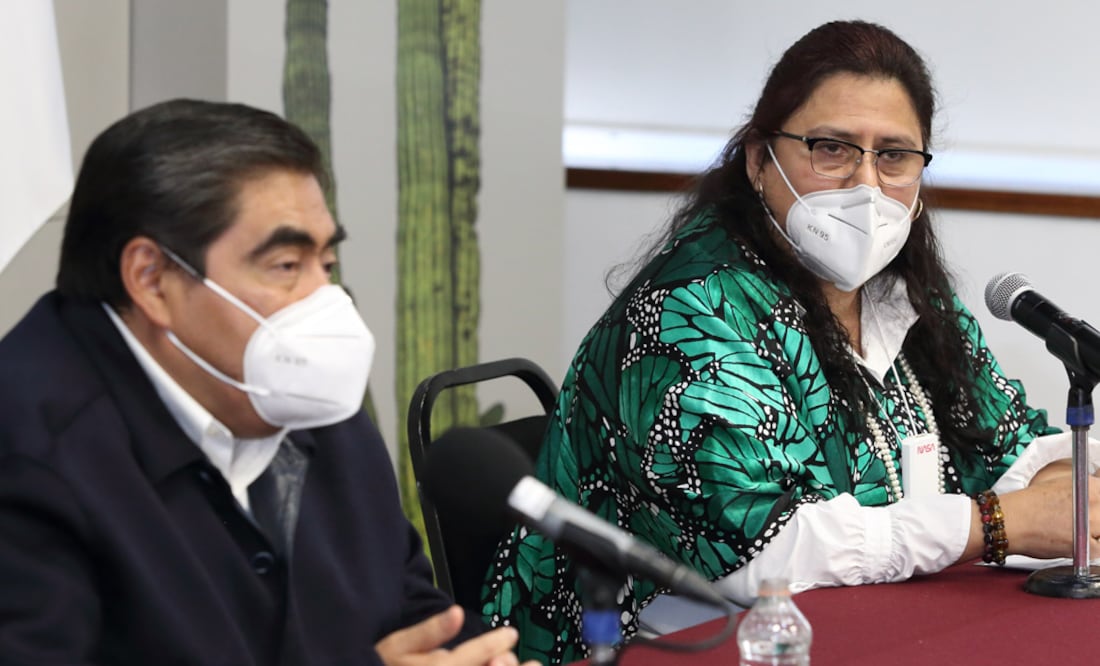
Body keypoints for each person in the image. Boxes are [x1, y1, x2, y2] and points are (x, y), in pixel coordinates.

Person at [481, 20, 1100, 664]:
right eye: (831, 148)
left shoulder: (909, 300)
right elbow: (758, 549)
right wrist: (998, 523)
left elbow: (1007, 447)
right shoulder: (689, 308)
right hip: (654, 641)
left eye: (893, 155)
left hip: (855, 627)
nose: (865, 185)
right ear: (758, 160)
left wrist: (1068, 490)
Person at [0, 99, 530, 666]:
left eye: (325, 264)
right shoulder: (30, 452)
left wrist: (477, 657)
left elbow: (408, 611)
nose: (323, 304)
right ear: (151, 279)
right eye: (285, 266)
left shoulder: (311, 403)